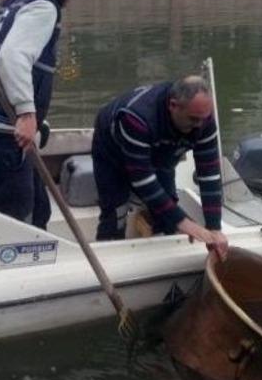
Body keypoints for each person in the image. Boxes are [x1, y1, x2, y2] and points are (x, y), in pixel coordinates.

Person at [0, 0, 83, 229]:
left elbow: (1, 61)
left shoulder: (12, 3)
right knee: (20, 224)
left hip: (0, 133)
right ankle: (23, 270)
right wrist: (26, 113)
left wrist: (37, 118)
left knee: (39, 212)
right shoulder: (44, 7)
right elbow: (12, 57)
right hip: (5, 137)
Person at [91, 76, 229, 260]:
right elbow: (142, 179)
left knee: (168, 208)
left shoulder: (203, 120)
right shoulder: (135, 117)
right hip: (113, 150)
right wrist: (184, 222)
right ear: (173, 105)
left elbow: (209, 174)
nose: (199, 126)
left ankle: (157, 249)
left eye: (203, 120)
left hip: (163, 148)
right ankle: (107, 258)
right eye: (194, 119)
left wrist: (214, 227)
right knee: (116, 211)